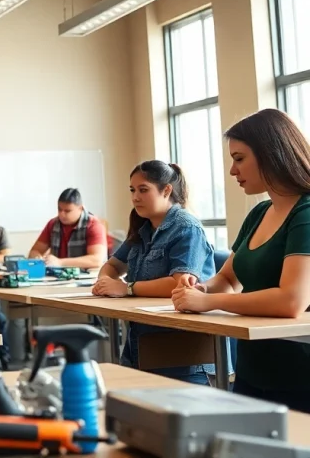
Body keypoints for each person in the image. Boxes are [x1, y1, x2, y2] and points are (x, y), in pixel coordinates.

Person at [173, 109, 310, 410]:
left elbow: (291, 301)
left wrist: (211, 302)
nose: (233, 171)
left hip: (299, 376)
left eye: (239, 158)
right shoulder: (259, 213)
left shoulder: (306, 213)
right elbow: (227, 279)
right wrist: (202, 290)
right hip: (253, 369)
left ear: (271, 154)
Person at [91, 160, 215, 383]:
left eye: (143, 190)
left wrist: (126, 288)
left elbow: (180, 284)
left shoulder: (187, 227)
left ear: (166, 190)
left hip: (181, 353)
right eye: (132, 190)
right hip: (141, 344)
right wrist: (104, 282)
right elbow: (111, 265)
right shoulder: (144, 228)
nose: (135, 197)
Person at [28, 188, 109, 269]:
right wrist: (38, 258)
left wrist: (60, 262)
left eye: (67, 211)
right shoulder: (52, 224)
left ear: (80, 209)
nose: (62, 214)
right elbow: (34, 251)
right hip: (59, 277)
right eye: (59, 209)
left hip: (87, 277)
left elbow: (97, 260)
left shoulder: (93, 225)